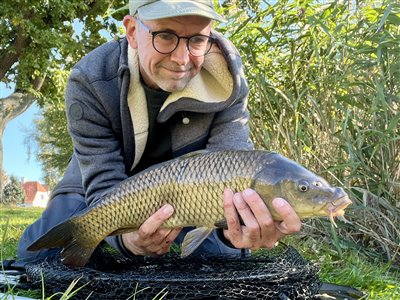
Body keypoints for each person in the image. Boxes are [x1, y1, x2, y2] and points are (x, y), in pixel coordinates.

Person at [18, 0, 301, 262]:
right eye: (165, 35)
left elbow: (232, 171)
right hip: (103, 176)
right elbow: (102, 180)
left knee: (222, 258)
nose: (181, 58)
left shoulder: (228, 78)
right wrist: (127, 240)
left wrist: (237, 228)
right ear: (131, 31)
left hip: (190, 190)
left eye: (198, 39)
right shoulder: (89, 79)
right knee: (42, 256)